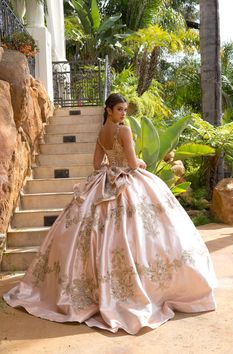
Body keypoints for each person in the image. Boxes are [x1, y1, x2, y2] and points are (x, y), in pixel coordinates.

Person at [3, 93, 217, 335]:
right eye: (120, 110)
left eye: (125, 110)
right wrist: (139, 165)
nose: (124, 114)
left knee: (98, 232)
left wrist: (111, 166)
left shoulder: (102, 133)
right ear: (109, 110)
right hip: (126, 180)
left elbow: (96, 164)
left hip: (105, 180)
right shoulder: (123, 131)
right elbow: (134, 164)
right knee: (145, 231)